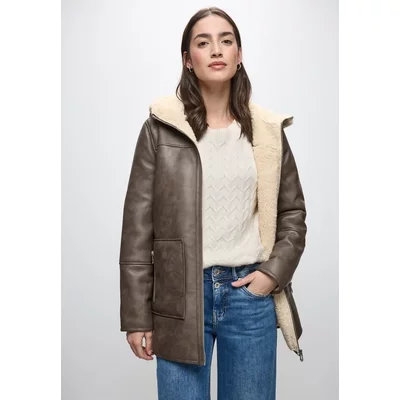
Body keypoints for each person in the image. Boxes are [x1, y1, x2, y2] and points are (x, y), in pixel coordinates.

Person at [119, 6, 307, 400]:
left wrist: (271, 275)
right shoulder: (161, 128)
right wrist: (136, 316)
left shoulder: (266, 131)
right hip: (180, 300)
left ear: (239, 55)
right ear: (188, 60)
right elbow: (137, 229)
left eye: (226, 41)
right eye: (203, 43)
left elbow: (292, 214)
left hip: (249, 296)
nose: (216, 50)